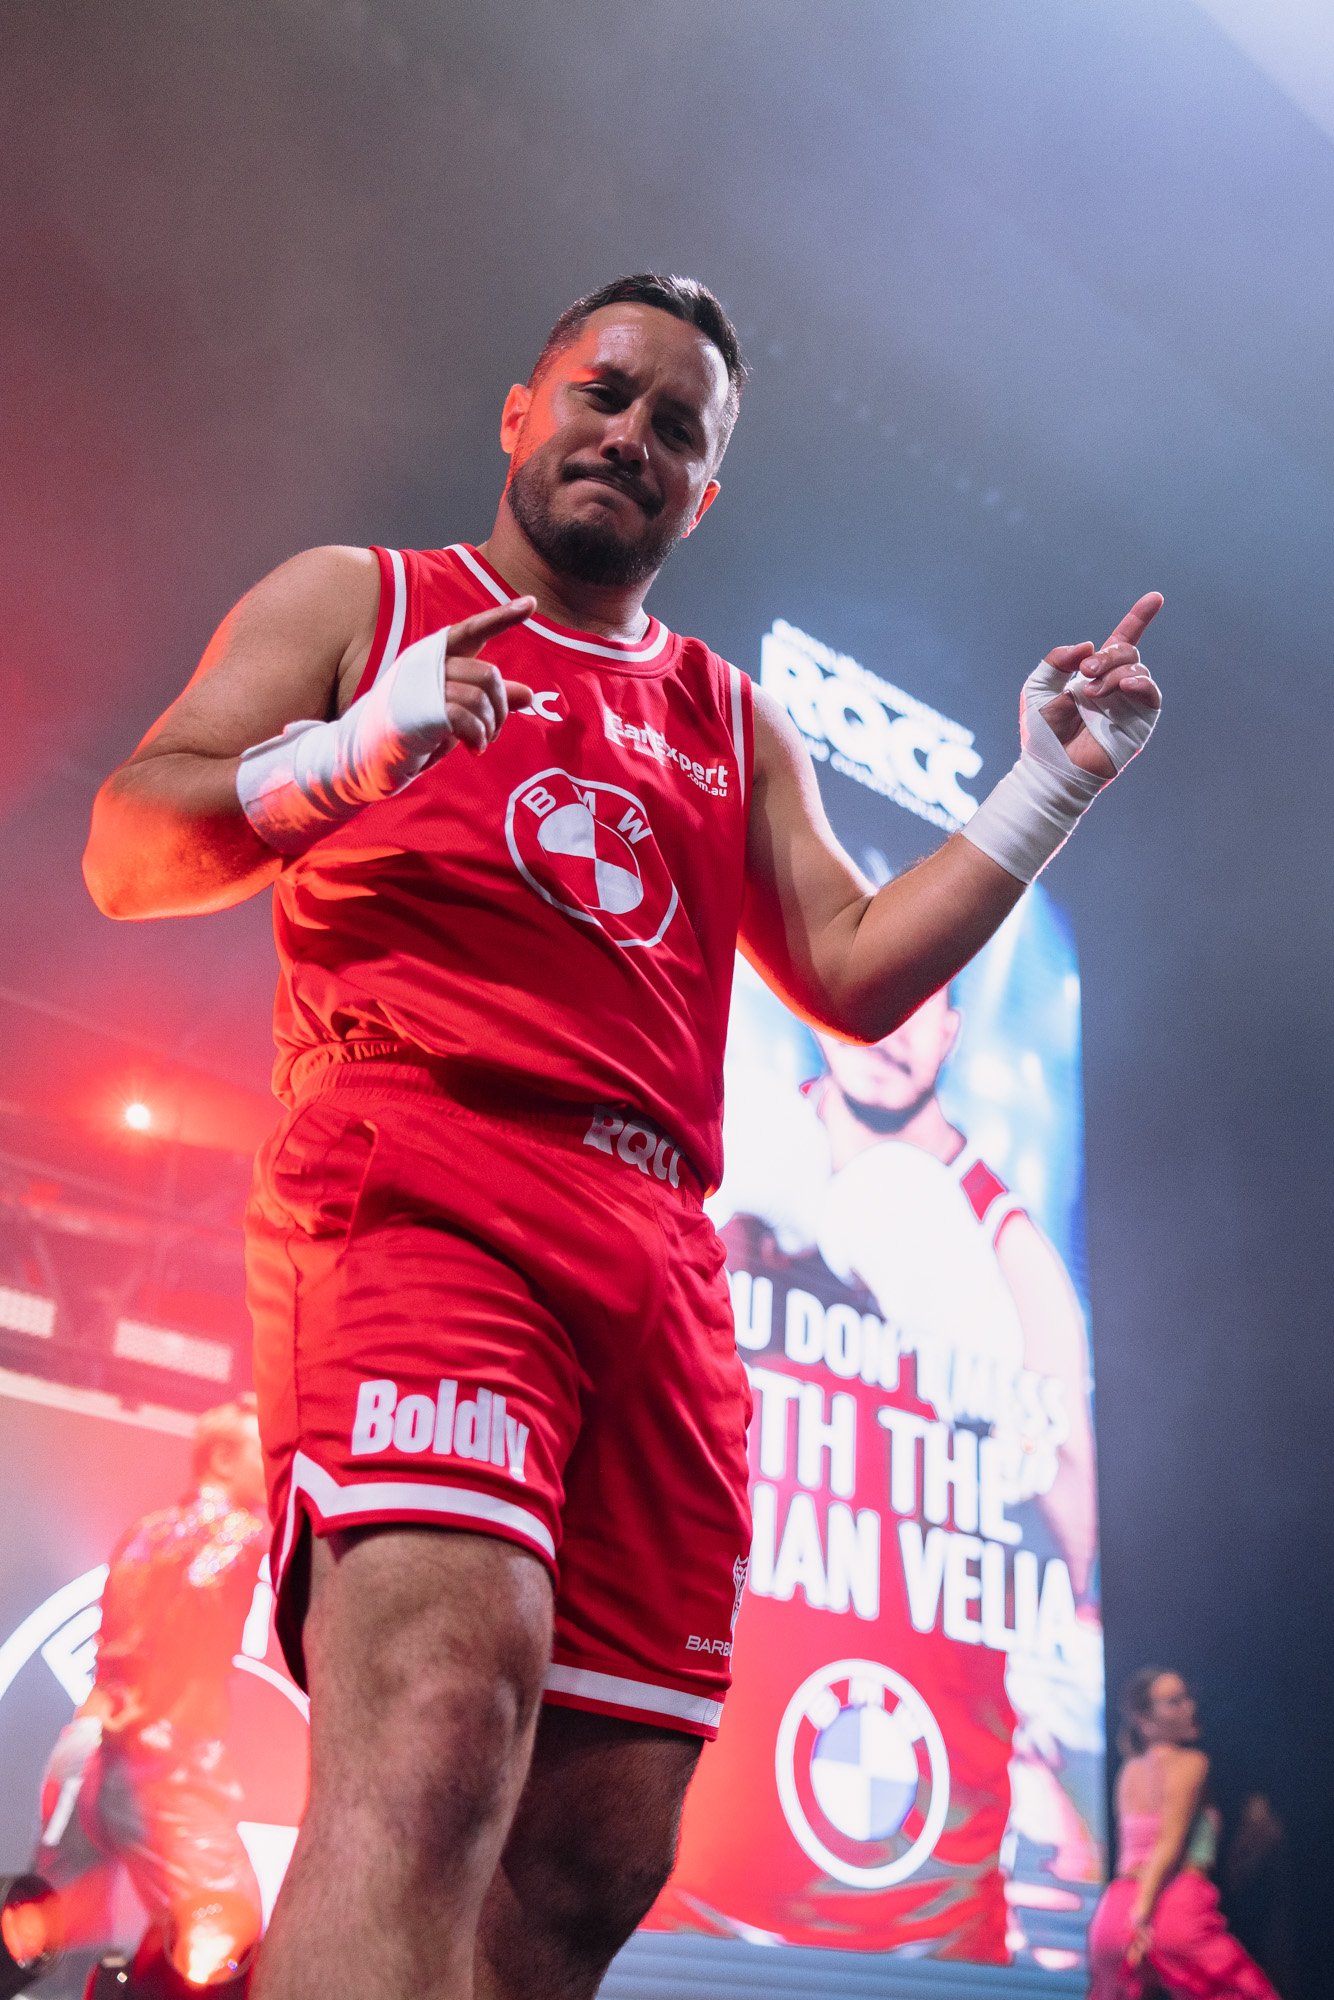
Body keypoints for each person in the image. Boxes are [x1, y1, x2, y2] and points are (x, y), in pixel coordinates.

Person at [82, 271, 1163, 2000]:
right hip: (419, 1187)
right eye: (602, 394)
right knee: (437, 1729)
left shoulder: (730, 720)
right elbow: (128, 850)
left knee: (595, 1851)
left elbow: (851, 976)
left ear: (702, 495)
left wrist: (1042, 790)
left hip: (656, 1260)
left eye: (676, 429)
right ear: (519, 412)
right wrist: (347, 753)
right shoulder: (363, 602)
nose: (629, 436)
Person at [30, 1396, 269, 1991]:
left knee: (56, 1930)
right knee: (226, 1931)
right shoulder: (234, 1528)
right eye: (266, 1451)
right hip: (158, 1762)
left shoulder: (145, 1531)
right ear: (220, 1459)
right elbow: (203, 1583)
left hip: (85, 1754)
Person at [1088, 1669, 1280, 1999]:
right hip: (1172, 1905)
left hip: (1112, 1913)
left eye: (1188, 1698)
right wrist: (1141, 1919)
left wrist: (1128, 1921)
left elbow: (1133, 1852)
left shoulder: (1128, 1771)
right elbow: (1167, 1844)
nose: (1189, 1707)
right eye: (1174, 1702)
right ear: (1144, 1720)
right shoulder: (1190, 1762)